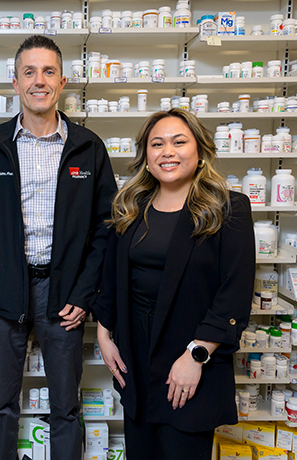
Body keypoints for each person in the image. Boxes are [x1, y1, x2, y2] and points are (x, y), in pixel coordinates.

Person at [0, 35, 117, 460]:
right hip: (5, 292)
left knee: (67, 407)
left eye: (48, 72)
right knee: (2, 405)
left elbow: (107, 230)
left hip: (64, 295)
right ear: (15, 82)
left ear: (62, 81)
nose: (39, 81)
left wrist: (85, 294)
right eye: (29, 72)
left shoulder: (88, 147)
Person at [92, 108, 254, 459]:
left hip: (191, 355)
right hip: (136, 358)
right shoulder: (132, 208)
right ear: (146, 157)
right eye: (157, 144)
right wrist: (104, 335)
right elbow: (113, 276)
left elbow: (235, 294)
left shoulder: (228, 209)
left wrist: (196, 356)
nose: (168, 151)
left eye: (179, 142)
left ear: (199, 153)